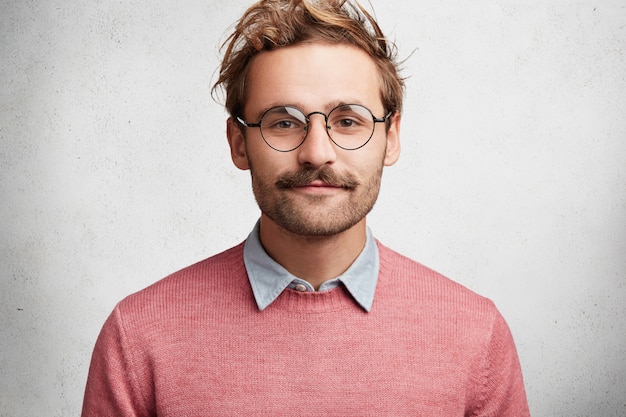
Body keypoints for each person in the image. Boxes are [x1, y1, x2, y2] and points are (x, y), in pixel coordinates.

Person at [81, 0, 530, 415]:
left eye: (348, 120)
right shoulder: (138, 337)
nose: (317, 152)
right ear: (239, 143)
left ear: (391, 137)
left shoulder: (475, 334)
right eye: (283, 122)